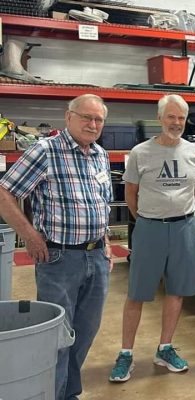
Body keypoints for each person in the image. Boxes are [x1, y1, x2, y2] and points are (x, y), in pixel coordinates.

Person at [0, 94, 113, 400]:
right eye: (86, 117)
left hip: (96, 256)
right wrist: (30, 235)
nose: (92, 124)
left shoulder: (100, 154)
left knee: (85, 332)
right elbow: (4, 193)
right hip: (60, 258)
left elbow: (100, 203)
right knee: (58, 336)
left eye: (98, 119)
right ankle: (54, 393)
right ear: (68, 117)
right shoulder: (45, 151)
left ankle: (68, 392)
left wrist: (105, 245)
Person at [109, 94, 195, 382]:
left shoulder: (194, 152)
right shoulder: (141, 152)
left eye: (181, 118)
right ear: (160, 118)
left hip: (184, 227)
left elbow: (193, 188)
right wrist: (149, 221)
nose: (176, 123)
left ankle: (164, 348)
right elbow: (130, 194)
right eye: (171, 117)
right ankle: (126, 353)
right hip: (149, 227)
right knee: (137, 293)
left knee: (176, 291)